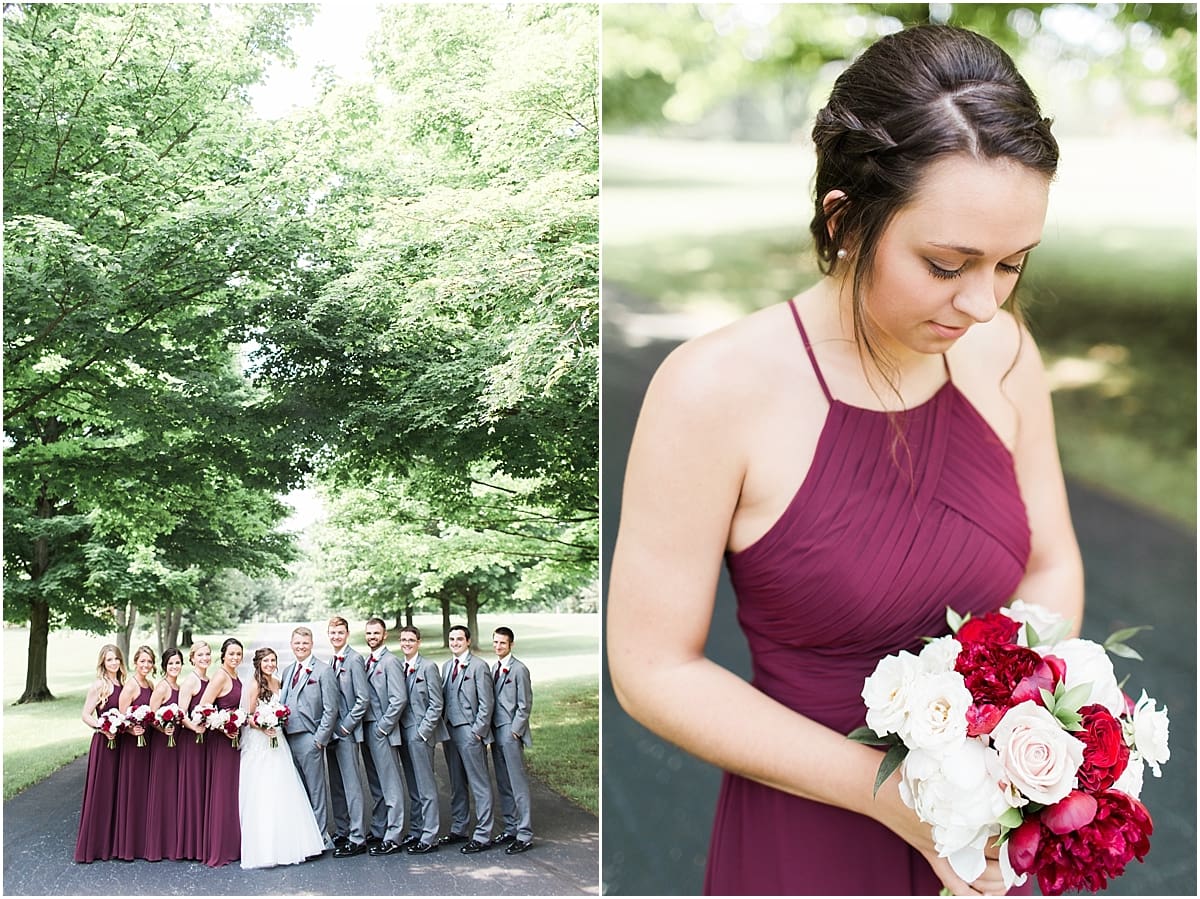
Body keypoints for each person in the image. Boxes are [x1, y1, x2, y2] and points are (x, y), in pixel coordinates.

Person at [606, 24, 1084, 898]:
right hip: (808, 834)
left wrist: (1026, 743)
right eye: (947, 263)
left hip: (990, 845)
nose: (982, 301)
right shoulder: (712, 390)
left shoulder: (1005, 354)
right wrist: (888, 791)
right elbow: (652, 666)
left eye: (1013, 264)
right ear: (844, 218)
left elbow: (1050, 560)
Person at [238, 647, 327, 868]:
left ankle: (291, 843)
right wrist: (261, 725)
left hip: (279, 742)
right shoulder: (254, 684)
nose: (269, 664)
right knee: (264, 791)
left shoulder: (279, 682)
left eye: (272, 660)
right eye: (265, 660)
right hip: (260, 743)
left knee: (285, 789)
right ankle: (265, 848)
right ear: (258, 663)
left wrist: (275, 722)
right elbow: (246, 716)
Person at [280, 626, 338, 851]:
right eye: (297, 643)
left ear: (311, 644)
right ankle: (304, 837)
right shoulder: (287, 671)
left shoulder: (323, 671)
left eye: (304, 643)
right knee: (298, 790)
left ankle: (320, 837)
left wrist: (320, 739)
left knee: (315, 790)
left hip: (309, 737)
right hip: (288, 738)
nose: (300, 647)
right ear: (291, 644)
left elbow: (331, 709)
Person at [439, 624, 495, 853]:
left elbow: (487, 702)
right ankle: (459, 828)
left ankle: (483, 835)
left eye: (459, 639)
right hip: (450, 731)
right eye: (452, 639)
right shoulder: (446, 666)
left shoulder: (479, 666)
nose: (455, 643)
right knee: (456, 783)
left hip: (470, 732)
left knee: (479, 784)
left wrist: (477, 732)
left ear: (468, 641)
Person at [359, 617, 408, 856]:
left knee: (390, 785)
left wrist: (382, 728)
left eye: (376, 633)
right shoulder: (367, 661)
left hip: (381, 730)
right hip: (366, 728)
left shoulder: (390, 662)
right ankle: (379, 828)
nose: (372, 637)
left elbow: (399, 699)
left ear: (384, 635)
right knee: (375, 784)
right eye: (368, 633)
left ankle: (394, 835)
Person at [74, 643, 126, 863]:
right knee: (102, 791)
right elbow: (85, 714)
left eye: (116, 659)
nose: (113, 663)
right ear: (103, 663)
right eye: (109, 660)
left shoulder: (123, 684)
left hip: (122, 743)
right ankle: (95, 846)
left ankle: (114, 843)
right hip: (104, 745)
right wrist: (102, 728)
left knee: (118, 791)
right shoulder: (100, 685)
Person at [397, 625, 447, 854]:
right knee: (413, 786)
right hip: (403, 733)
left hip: (420, 734)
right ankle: (416, 830)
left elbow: (437, 703)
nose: (406, 643)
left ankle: (430, 836)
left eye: (411, 640)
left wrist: (423, 732)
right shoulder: (399, 666)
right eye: (403, 639)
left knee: (426, 787)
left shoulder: (428, 667)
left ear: (418, 642)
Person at [325, 615, 372, 857]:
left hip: (346, 732)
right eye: (332, 633)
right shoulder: (331, 661)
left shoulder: (354, 659)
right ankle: (342, 830)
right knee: (336, 784)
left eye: (340, 633)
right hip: (330, 733)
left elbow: (363, 699)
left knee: (352, 785)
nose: (336, 636)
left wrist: (346, 727)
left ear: (347, 633)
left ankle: (357, 836)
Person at [199, 637, 244, 867]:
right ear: (223, 655)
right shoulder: (219, 676)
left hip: (235, 740)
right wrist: (223, 725)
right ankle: (220, 848)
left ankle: (234, 843)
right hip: (222, 741)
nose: (235, 657)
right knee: (223, 792)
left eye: (239, 654)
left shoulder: (235, 675)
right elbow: (204, 708)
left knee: (233, 792)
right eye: (231, 654)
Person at [490, 626, 534, 854]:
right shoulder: (494, 668)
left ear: (511, 645)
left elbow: (524, 704)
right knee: (503, 782)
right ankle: (511, 827)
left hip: (509, 732)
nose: (498, 647)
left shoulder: (519, 670)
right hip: (495, 732)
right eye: (495, 642)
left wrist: (515, 731)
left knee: (517, 783)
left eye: (502, 643)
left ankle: (525, 833)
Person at [114, 644, 155, 861]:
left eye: (149, 662)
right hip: (133, 745)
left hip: (147, 742)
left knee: (143, 790)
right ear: (135, 663)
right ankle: (128, 844)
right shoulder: (130, 685)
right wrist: (131, 729)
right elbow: (121, 716)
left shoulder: (149, 683)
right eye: (142, 661)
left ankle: (141, 841)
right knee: (132, 789)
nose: (146, 665)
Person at [144, 647, 184, 861]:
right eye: (171, 664)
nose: (175, 667)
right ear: (164, 667)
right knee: (163, 789)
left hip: (178, 742)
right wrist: (163, 729)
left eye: (177, 663)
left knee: (174, 790)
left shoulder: (179, 686)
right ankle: (158, 844)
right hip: (164, 742)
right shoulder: (162, 687)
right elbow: (151, 715)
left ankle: (173, 840)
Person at [176, 640, 211, 860]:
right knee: (193, 790)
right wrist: (195, 728)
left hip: (208, 741)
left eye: (207, 654)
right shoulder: (191, 680)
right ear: (192, 658)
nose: (205, 658)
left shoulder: (210, 679)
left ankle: (204, 840)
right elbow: (181, 713)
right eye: (200, 655)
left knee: (204, 790)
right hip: (192, 742)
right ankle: (191, 845)